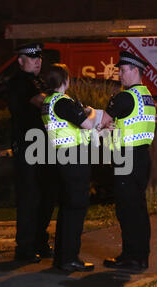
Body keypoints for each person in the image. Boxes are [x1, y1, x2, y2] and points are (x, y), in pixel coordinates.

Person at [101, 51, 156, 272]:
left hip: (127, 158)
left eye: (123, 71)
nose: (119, 75)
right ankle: (140, 256)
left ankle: (131, 257)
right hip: (142, 157)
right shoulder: (147, 95)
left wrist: (103, 124)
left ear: (135, 70)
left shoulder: (125, 97)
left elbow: (102, 121)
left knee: (127, 209)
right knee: (139, 208)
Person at [41, 64, 99, 272]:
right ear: (66, 81)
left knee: (67, 208)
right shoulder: (63, 102)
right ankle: (69, 259)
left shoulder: (48, 102)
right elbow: (87, 124)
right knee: (76, 208)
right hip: (73, 158)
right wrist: (91, 113)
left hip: (60, 156)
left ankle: (62, 258)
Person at [7, 42, 55, 263]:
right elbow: (41, 101)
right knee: (30, 197)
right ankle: (25, 248)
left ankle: (40, 241)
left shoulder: (39, 81)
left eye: (39, 57)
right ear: (20, 61)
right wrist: (65, 104)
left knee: (46, 195)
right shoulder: (19, 82)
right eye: (32, 57)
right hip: (27, 149)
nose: (38, 60)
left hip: (43, 147)